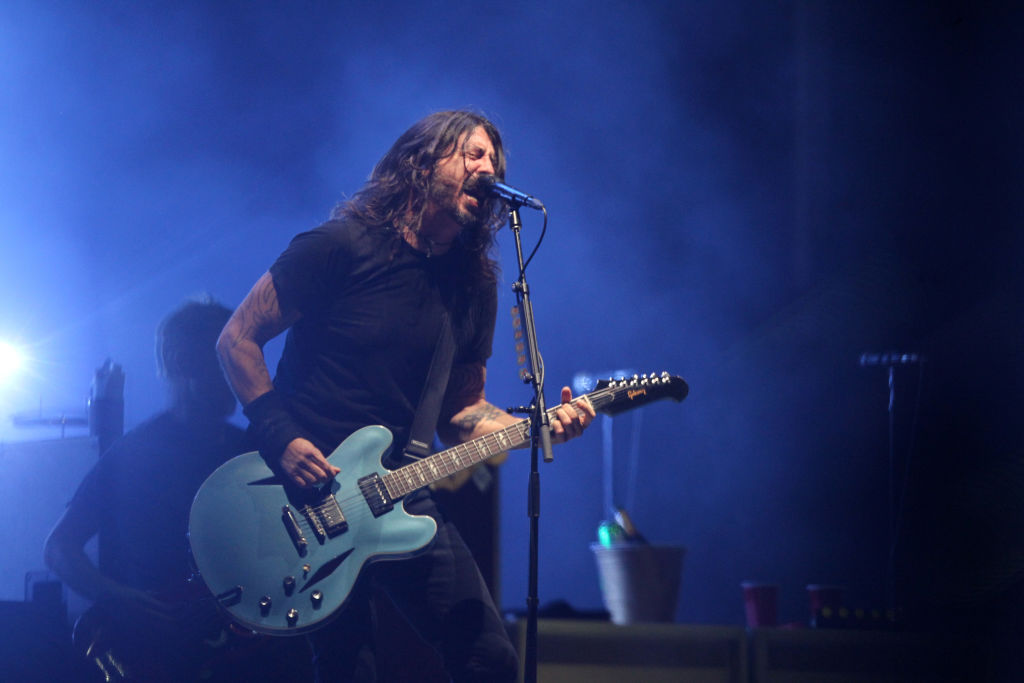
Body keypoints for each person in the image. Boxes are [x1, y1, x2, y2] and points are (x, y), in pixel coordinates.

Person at [216, 110, 596, 682]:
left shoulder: (473, 285)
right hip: (305, 492)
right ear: (421, 162)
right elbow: (237, 339)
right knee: (349, 669)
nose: (488, 168)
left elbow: (461, 413)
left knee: (488, 659)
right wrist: (281, 437)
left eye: (494, 161)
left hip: (398, 491)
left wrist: (539, 427)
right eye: (472, 153)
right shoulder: (340, 246)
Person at [45, 298, 309, 682]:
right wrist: (118, 597)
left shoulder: (251, 452)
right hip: (161, 654)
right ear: (179, 360)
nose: (238, 370)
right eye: (223, 358)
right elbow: (58, 548)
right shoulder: (134, 453)